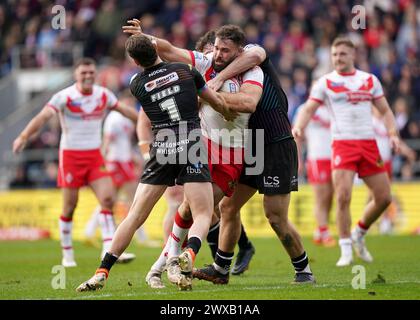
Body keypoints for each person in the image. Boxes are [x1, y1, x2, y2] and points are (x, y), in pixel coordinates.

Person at [76, 34, 229, 292]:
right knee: (203, 213)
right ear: (155, 47)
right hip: (191, 141)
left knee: (135, 216)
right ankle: (189, 255)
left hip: (163, 146)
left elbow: (153, 103)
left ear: (135, 61)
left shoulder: (136, 83)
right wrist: (227, 110)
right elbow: (212, 101)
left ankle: (102, 271)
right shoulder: (186, 70)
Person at [122, 23, 260, 288]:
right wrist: (144, 37)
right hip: (202, 144)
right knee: (188, 208)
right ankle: (167, 264)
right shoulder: (203, 62)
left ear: (239, 52)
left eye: (224, 50)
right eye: (216, 49)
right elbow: (170, 48)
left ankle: (198, 261)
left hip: (234, 151)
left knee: (212, 210)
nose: (217, 55)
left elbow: (249, 103)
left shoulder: (252, 71)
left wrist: (206, 92)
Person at [12, 57, 138, 267]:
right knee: (70, 207)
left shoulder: (103, 94)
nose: (88, 76)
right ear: (76, 75)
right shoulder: (64, 97)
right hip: (70, 157)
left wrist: (150, 122)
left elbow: (127, 112)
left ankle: (108, 249)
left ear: (95, 74)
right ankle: (67, 253)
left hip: (95, 156)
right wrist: (24, 137)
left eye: (91, 72)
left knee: (107, 199)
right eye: (83, 73)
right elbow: (42, 117)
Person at [293, 37, 401, 267]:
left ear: (353, 55)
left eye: (342, 54)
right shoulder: (325, 82)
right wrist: (299, 127)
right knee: (343, 196)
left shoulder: (369, 80)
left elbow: (385, 110)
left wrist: (392, 133)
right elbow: (308, 108)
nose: (338, 59)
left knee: (383, 198)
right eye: (334, 55)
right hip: (343, 144)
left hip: (368, 144)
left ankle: (359, 233)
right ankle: (345, 250)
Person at [84, 91, 158, 248]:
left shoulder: (124, 120)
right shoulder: (114, 118)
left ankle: (88, 232)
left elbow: (123, 142)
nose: (130, 105)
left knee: (111, 199)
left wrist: (133, 156)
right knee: (134, 198)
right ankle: (142, 237)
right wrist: (102, 161)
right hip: (116, 162)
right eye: (128, 102)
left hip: (123, 161)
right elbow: (107, 140)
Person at [294, 102, 336, 247]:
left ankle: (320, 230)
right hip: (317, 157)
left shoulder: (334, 107)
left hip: (336, 156)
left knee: (331, 196)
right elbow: (297, 135)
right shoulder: (305, 108)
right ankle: (324, 232)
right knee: (321, 197)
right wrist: (298, 159)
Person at [371, 107, 416, 234]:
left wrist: (407, 151)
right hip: (375, 162)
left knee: (386, 194)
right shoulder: (370, 122)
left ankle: (385, 221)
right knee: (375, 194)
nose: (378, 110)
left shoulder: (387, 123)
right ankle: (370, 222)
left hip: (387, 163)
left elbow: (397, 141)